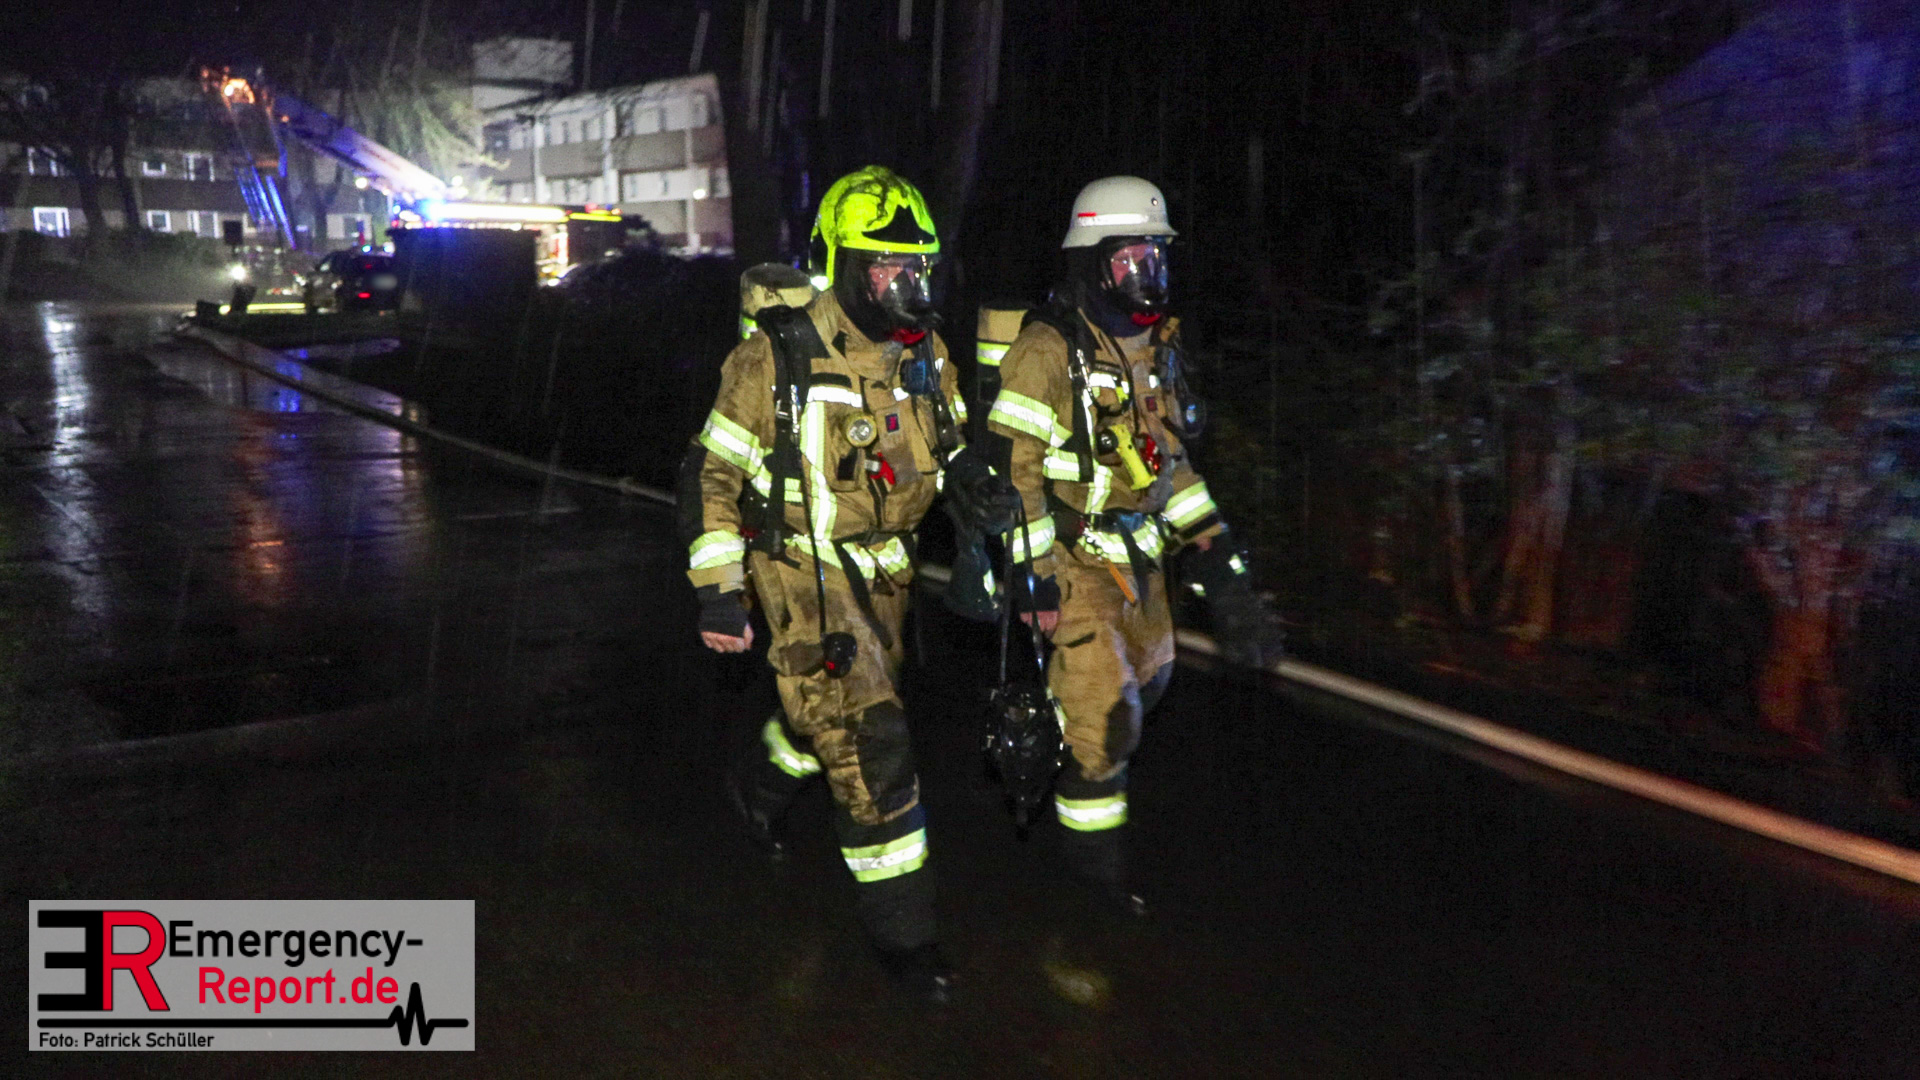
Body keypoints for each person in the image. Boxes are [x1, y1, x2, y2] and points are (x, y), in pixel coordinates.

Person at [678, 166, 1019, 1004]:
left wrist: (971, 481)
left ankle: (758, 787)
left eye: (917, 266)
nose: (907, 284)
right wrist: (720, 588)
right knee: (873, 742)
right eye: (886, 266)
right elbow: (710, 474)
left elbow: (945, 442)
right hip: (803, 571)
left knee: (822, 722)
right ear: (844, 264)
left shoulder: (925, 353)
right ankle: (906, 935)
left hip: (887, 570)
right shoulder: (775, 356)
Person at [986, 175, 1284, 912]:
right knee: (1107, 724)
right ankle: (1093, 881)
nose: (1147, 272)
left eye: (1155, 256)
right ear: (1092, 263)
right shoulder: (1046, 352)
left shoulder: (1154, 349)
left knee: (1149, 687)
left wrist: (1221, 564)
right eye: (1129, 259)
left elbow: (1170, 468)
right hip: (1074, 560)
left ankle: (1054, 749)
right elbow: (1014, 474)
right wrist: (1033, 580)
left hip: (1141, 564)